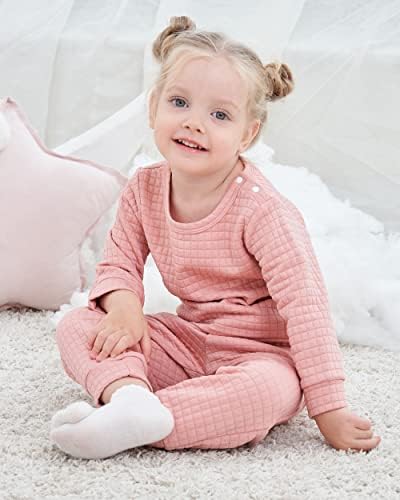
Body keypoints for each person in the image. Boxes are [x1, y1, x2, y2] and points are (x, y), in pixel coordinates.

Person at [50, 15, 381, 459]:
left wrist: (329, 407)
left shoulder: (264, 210)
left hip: (261, 357)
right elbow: (120, 263)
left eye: (220, 115)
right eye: (179, 102)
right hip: (189, 339)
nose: (194, 123)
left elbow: (307, 308)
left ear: (247, 134)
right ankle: (129, 396)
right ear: (153, 107)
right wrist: (124, 308)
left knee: (265, 394)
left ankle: (147, 417)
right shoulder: (144, 188)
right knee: (79, 325)